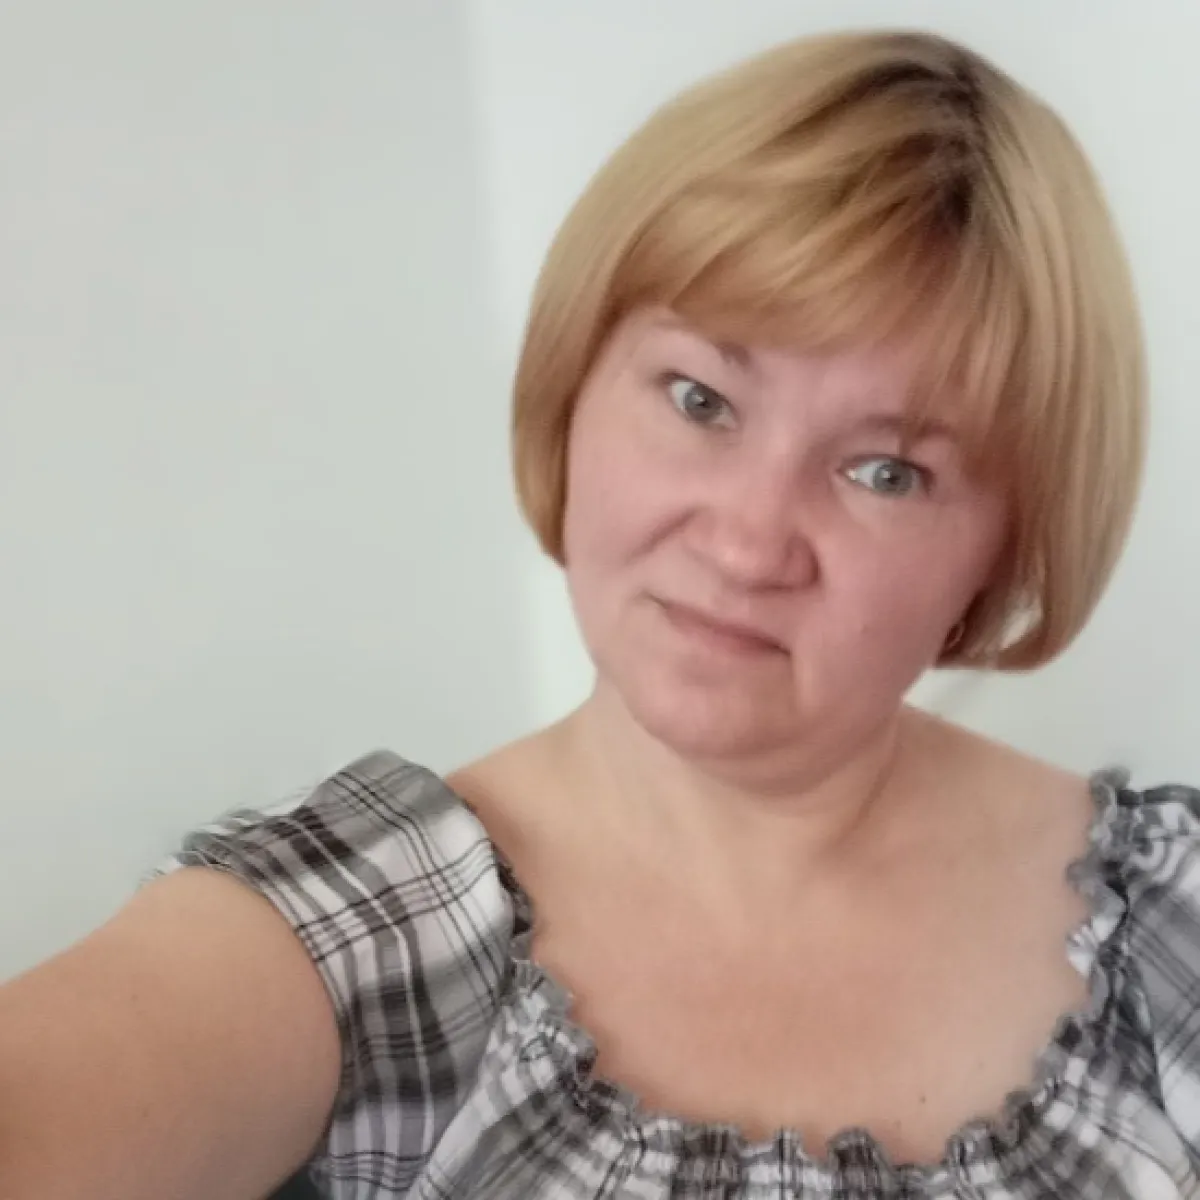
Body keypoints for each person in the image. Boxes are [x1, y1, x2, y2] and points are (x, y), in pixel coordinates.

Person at [0, 25, 1186, 1200]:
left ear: (1003, 550)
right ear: (574, 386)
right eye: (700, 399)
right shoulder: (367, 925)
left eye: (886, 473)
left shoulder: (1169, 919)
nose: (748, 542)